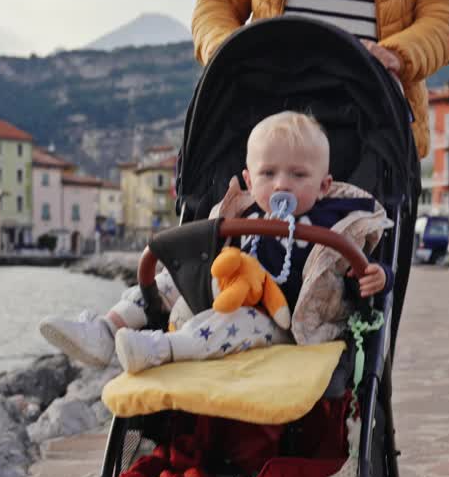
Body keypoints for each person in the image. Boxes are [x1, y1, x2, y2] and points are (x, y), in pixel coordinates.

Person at [39, 111, 391, 374]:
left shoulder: (338, 221)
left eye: (298, 175)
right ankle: (106, 329)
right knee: (172, 278)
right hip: (227, 290)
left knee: (231, 323)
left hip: (286, 322)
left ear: (324, 185)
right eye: (269, 174)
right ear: (250, 181)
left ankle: (161, 347)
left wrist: (378, 276)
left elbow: (363, 265)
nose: (282, 185)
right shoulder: (242, 216)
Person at [191, 0, 449, 162]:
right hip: (268, 119)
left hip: (370, 124)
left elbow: (443, 20)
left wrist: (395, 55)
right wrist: (228, 52)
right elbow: (215, 4)